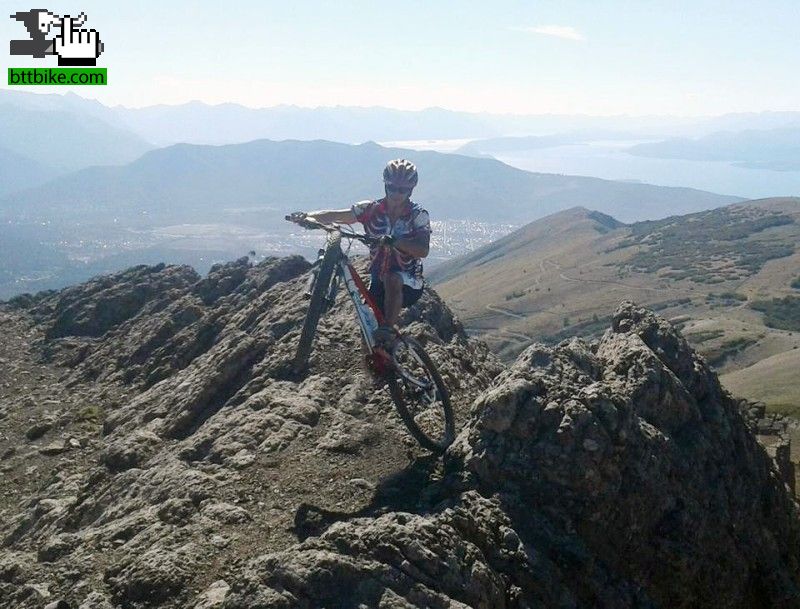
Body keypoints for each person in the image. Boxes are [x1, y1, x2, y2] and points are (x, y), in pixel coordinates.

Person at [294, 159, 430, 346]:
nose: (397, 194)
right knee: (368, 329)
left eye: (403, 190)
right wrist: (308, 217)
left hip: (408, 280)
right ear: (385, 186)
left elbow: (423, 250)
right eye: (392, 188)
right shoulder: (371, 209)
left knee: (393, 278)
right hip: (378, 277)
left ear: (411, 190)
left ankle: (388, 329)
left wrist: (397, 242)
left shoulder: (418, 215)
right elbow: (338, 215)